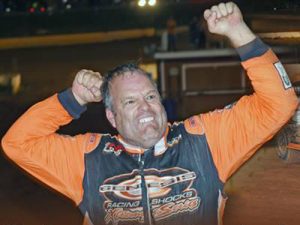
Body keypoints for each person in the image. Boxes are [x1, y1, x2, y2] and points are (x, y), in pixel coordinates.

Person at [1, 2, 298, 225]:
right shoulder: (87, 157)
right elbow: (17, 144)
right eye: (129, 102)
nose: (145, 107)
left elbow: (279, 105)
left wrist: (238, 32)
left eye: (150, 96)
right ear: (112, 118)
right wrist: (72, 99)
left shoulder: (205, 140)